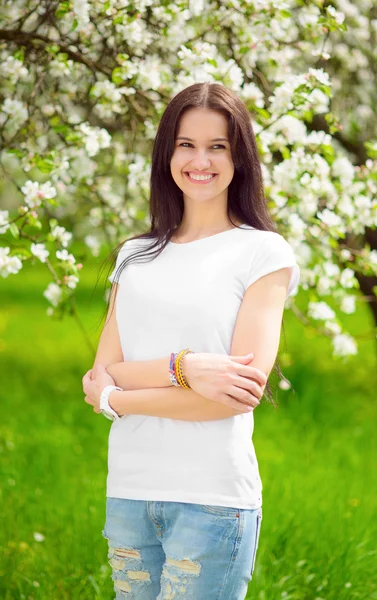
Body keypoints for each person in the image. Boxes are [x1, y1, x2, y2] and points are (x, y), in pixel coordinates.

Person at [82, 82, 300, 600]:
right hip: (130, 495)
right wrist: (188, 368)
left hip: (212, 501)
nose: (200, 160)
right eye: (186, 144)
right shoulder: (134, 256)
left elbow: (234, 396)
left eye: (217, 146)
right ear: (167, 152)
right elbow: (99, 374)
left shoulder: (263, 254)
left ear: (239, 157)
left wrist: (117, 397)